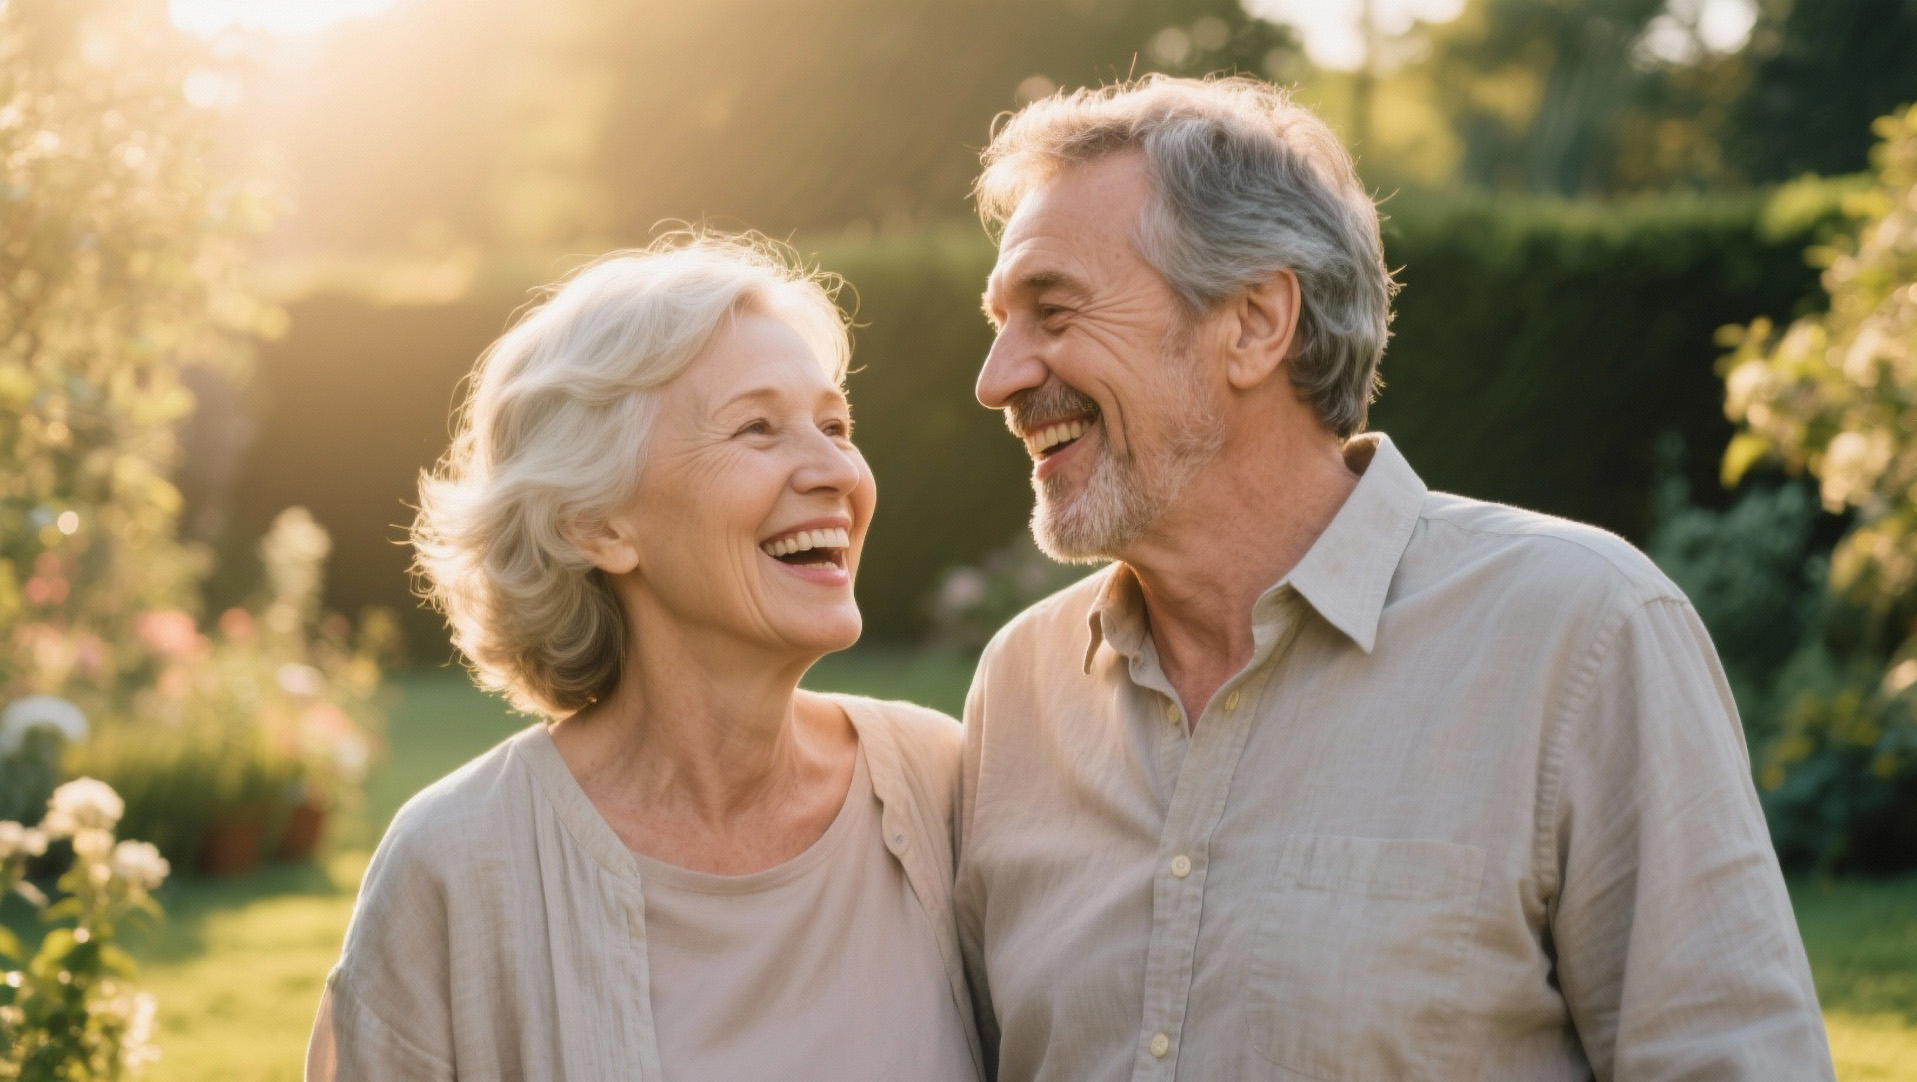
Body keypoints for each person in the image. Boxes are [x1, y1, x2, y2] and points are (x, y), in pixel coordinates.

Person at [954, 75, 1834, 1081]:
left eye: (1052, 309)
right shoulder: (1018, 688)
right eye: (1000, 320)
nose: (999, 377)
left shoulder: (1582, 630)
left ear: (1253, 321)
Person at [305, 236, 984, 1082]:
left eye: (836, 423)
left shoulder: (944, 785)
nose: (836, 469)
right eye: (757, 427)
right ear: (597, 525)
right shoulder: (453, 864)